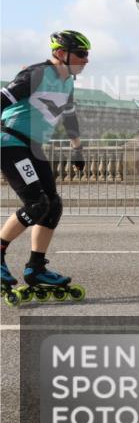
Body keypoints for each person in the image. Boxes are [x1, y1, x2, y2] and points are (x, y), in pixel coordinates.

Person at [0, 30, 91, 306]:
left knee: (52, 203)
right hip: (10, 141)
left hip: (35, 146)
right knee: (36, 203)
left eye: (87, 55)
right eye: (81, 54)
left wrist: (77, 149)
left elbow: (70, 116)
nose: (86, 60)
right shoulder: (36, 75)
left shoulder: (68, 83)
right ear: (62, 54)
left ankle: (36, 268)